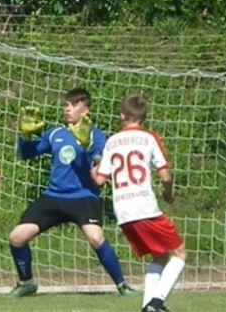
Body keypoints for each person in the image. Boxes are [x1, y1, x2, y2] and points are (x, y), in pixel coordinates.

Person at [8, 87, 135, 297]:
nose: (68, 109)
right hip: (55, 196)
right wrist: (25, 136)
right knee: (17, 237)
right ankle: (27, 282)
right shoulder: (56, 133)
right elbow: (26, 154)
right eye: (66, 105)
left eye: (74, 105)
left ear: (86, 110)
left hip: (83, 196)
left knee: (96, 238)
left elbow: (100, 162)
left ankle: (122, 285)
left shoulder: (94, 135)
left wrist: (86, 147)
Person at [91, 94, 186, 312]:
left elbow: (99, 180)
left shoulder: (112, 141)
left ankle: (147, 311)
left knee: (160, 255)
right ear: (144, 117)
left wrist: (90, 166)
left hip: (123, 211)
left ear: (122, 116)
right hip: (145, 207)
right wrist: (168, 195)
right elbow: (165, 176)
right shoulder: (149, 138)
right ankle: (156, 303)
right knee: (179, 253)